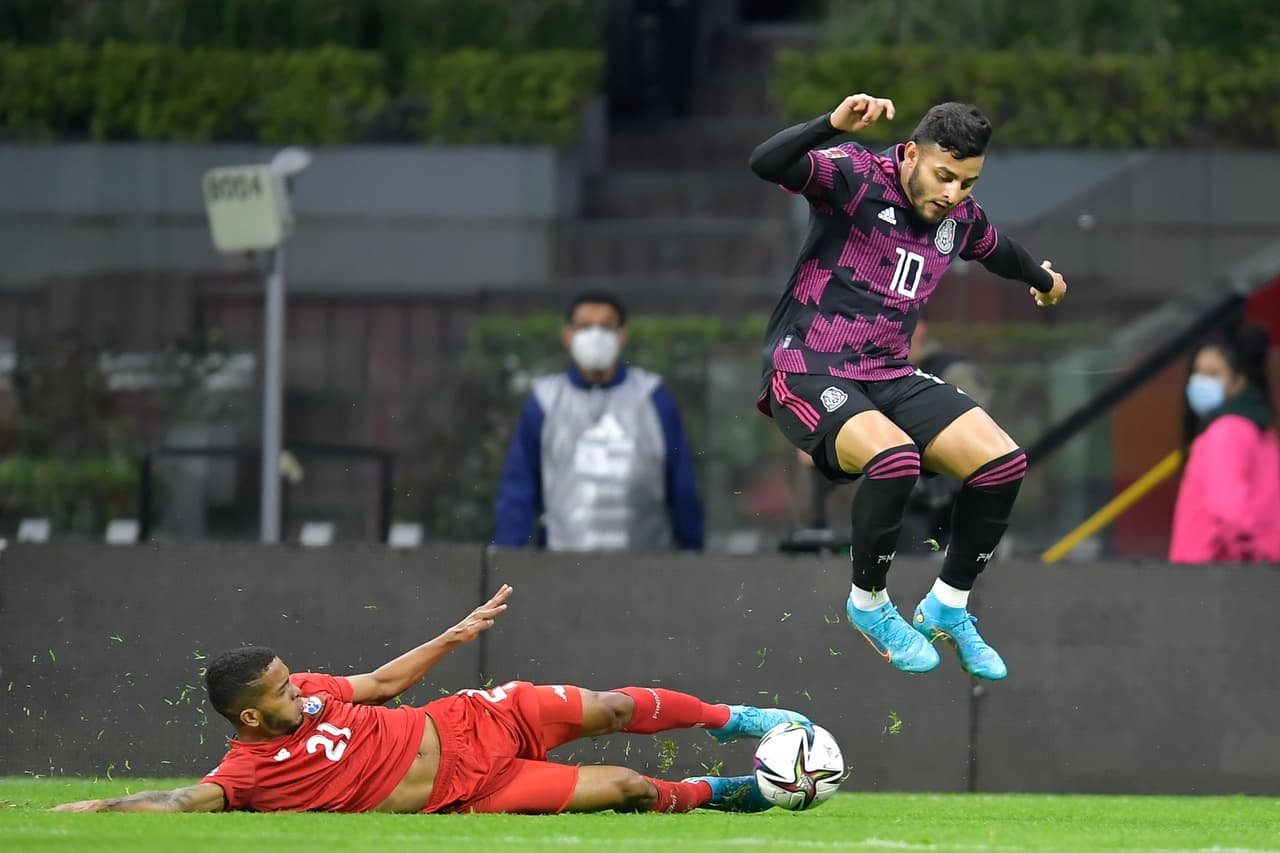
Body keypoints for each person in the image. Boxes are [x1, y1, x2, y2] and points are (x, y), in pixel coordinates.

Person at [749, 95, 1068, 679]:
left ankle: (948, 604)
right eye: (944, 176)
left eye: (967, 183)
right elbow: (765, 164)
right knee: (894, 460)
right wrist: (828, 126)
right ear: (912, 153)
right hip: (809, 368)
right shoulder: (853, 175)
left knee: (1003, 464)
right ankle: (869, 604)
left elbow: (1000, 250)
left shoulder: (958, 218)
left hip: (887, 371)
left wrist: (1043, 279)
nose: (952, 193)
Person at [52, 585, 805, 815]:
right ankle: (723, 793)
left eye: (291, 675)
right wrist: (86, 812)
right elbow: (180, 801)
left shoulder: (312, 689)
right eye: (282, 688)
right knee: (631, 787)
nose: (300, 686)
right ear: (249, 717)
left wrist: (456, 633)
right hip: (475, 785)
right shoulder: (245, 779)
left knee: (608, 704)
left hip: (475, 718)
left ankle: (737, 720)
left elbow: (381, 685)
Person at [493, 291, 704, 552]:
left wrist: (692, 553)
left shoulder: (652, 396)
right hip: (562, 565)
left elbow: (682, 485)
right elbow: (519, 489)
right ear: (568, 335)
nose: (595, 335)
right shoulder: (545, 401)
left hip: (647, 566)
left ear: (622, 335)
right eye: (584, 326)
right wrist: (507, 557)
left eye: (606, 326)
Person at [1170, 324, 1280, 563]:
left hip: (1211, 576)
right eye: (1197, 372)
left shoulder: (1225, 431)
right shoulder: (1261, 429)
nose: (1200, 381)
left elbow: (1230, 513)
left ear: (1238, 382)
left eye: (1213, 373)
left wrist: (1248, 564)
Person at [899, 318, 994, 554]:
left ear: (919, 327)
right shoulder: (879, 371)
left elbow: (971, 431)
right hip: (903, 499)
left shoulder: (950, 370)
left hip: (949, 501)